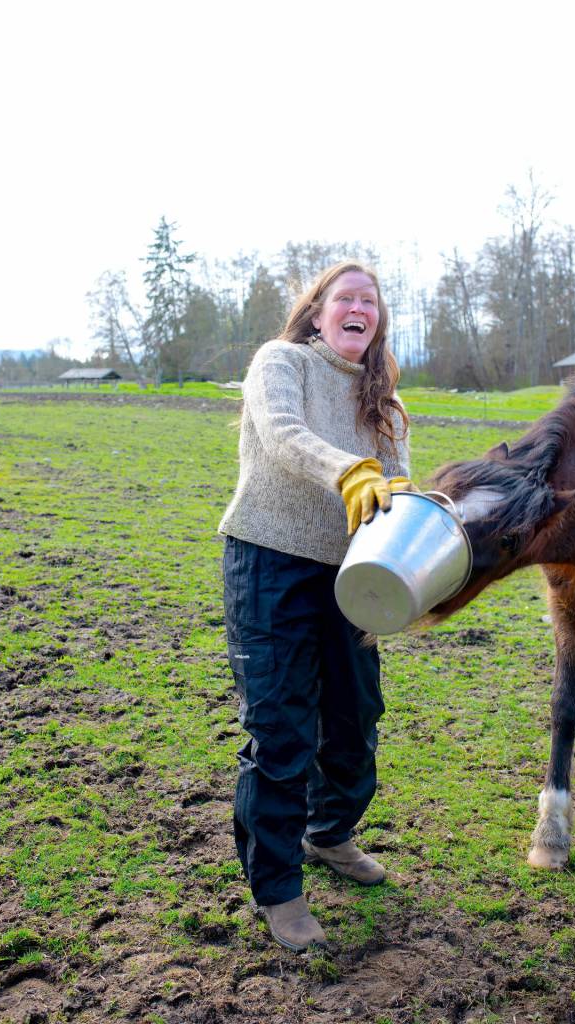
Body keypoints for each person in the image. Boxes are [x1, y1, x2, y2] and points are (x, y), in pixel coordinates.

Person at [218, 260, 414, 951]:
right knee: (280, 733)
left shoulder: (384, 403)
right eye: (346, 298)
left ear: (378, 320)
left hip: (351, 575)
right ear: (318, 311)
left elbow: (396, 489)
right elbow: (280, 433)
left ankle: (328, 834)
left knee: (356, 717)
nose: (359, 307)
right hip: (268, 560)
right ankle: (279, 890)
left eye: (371, 301)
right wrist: (346, 470)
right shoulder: (281, 362)